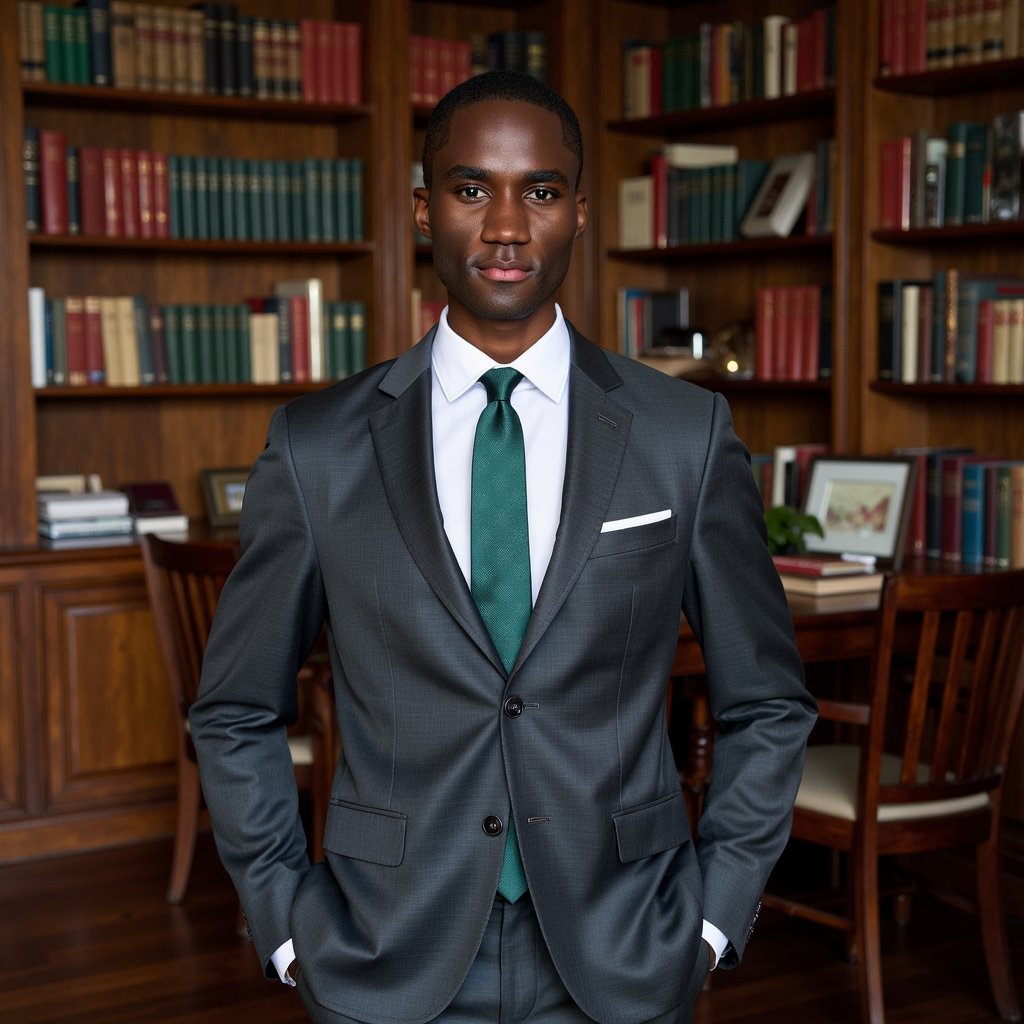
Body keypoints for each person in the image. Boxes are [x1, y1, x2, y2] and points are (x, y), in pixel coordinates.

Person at [190, 70, 816, 1024]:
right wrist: (285, 926)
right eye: (472, 188)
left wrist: (714, 919)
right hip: (383, 952)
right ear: (423, 208)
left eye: (543, 191)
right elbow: (235, 712)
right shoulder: (314, 446)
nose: (508, 226)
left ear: (578, 213)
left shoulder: (683, 434)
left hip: (627, 947)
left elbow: (767, 702)